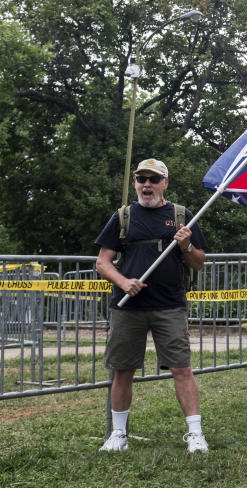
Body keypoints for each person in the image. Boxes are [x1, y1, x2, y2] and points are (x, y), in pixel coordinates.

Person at [95, 158, 209, 453]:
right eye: (141, 179)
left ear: (165, 184)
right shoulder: (122, 217)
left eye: (153, 179)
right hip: (128, 308)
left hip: (170, 306)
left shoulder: (182, 216)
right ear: (135, 183)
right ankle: (118, 435)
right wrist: (123, 282)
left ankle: (195, 435)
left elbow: (198, 263)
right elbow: (103, 263)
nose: (147, 184)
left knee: (182, 369)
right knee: (123, 370)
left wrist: (185, 245)